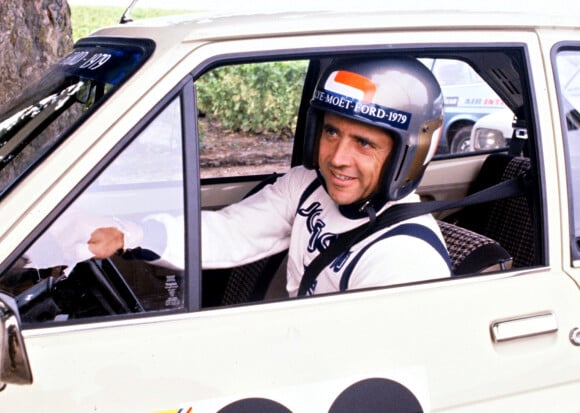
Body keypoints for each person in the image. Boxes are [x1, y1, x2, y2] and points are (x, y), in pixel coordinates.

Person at [23, 56, 451, 297]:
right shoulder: (306, 188)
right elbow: (230, 232)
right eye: (331, 132)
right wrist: (127, 233)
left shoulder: (404, 260)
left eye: (364, 144)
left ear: (407, 155)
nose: (337, 158)